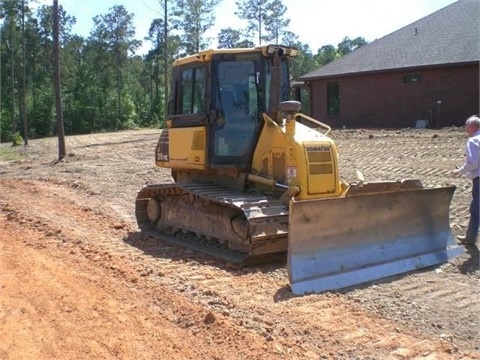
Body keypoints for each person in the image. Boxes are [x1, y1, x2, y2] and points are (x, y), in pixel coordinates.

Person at [453, 114, 480, 246]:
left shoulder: (473, 141)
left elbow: (473, 163)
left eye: (466, 127)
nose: (465, 130)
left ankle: (470, 239)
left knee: (476, 210)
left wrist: (459, 171)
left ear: (473, 127)